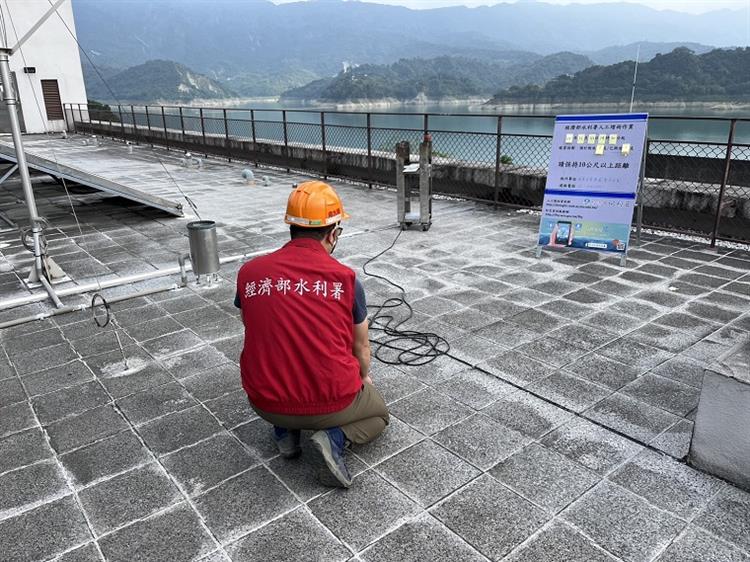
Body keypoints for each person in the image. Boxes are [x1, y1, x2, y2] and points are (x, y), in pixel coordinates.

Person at [235, 180, 389, 488]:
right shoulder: (345, 280)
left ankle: (283, 431)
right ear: (333, 233)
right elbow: (362, 349)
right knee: (379, 416)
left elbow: (252, 326)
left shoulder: (250, 274)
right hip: (330, 404)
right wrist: (362, 379)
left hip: (264, 401)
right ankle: (333, 437)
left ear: (291, 226)